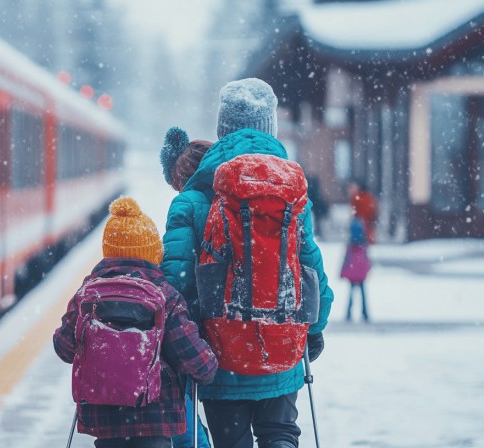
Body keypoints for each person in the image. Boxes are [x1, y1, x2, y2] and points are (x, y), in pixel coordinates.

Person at [161, 78, 335, 448]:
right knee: (280, 434)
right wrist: (315, 328)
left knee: (231, 441)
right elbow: (311, 268)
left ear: (221, 129)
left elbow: (174, 281)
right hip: (282, 346)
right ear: (269, 128)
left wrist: (181, 340)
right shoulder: (290, 191)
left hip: (219, 353)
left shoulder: (192, 198)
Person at [54, 196, 219, 448]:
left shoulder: (88, 293)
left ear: (107, 250)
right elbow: (197, 362)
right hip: (155, 422)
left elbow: (63, 347)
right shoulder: (165, 294)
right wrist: (209, 363)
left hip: (104, 421)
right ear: (153, 252)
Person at [159, 127, 214, 448]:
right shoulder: (237, 197)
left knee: (181, 407)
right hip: (243, 322)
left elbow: (176, 277)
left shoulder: (186, 204)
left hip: (197, 322)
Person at [341, 216, 371, 321]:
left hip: (352, 272)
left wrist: (342, 271)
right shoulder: (363, 245)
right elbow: (367, 260)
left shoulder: (350, 246)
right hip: (361, 273)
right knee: (362, 293)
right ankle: (365, 313)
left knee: (351, 294)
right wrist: (368, 269)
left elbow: (346, 260)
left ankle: (348, 313)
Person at [348, 179, 377, 244]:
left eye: (352, 187)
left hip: (361, 222)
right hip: (365, 222)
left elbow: (354, 211)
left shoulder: (357, 197)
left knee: (358, 241)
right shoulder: (367, 196)